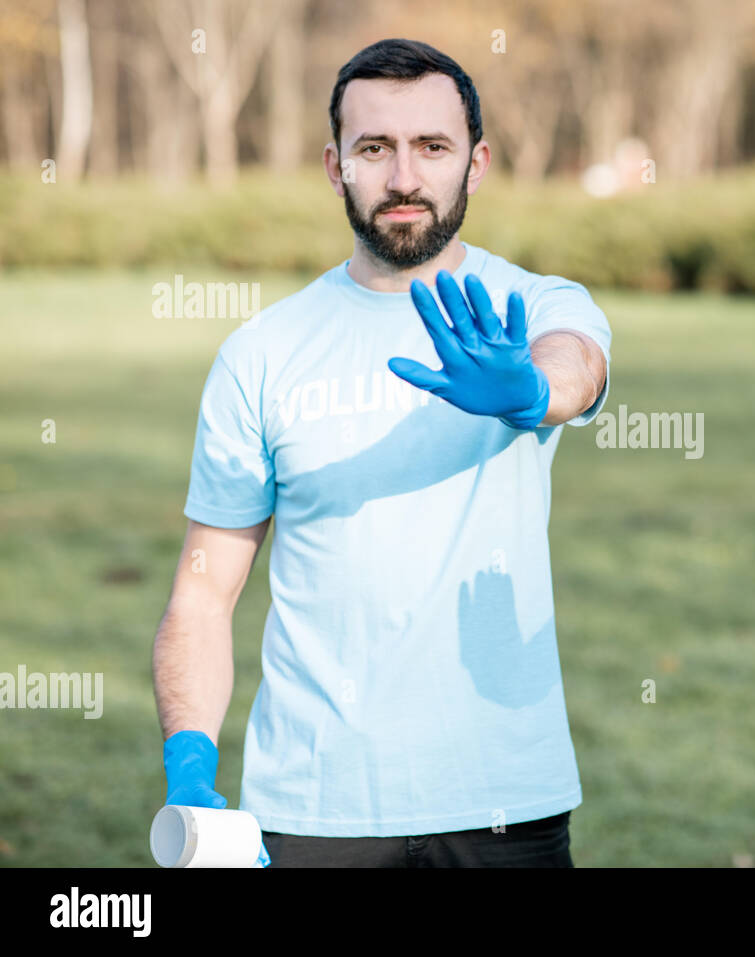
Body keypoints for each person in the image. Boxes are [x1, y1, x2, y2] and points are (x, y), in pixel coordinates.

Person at [152, 38, 611, 867]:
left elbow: (578, 363)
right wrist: (189, 763)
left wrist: (533, 395)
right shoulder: (262, 352)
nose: (404, 178)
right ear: (335, 166)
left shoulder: (533, 304)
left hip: (505, 800)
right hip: (314, 808)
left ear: (476, 163)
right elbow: (204, 590)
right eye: (375, 148)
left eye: (431, 147)